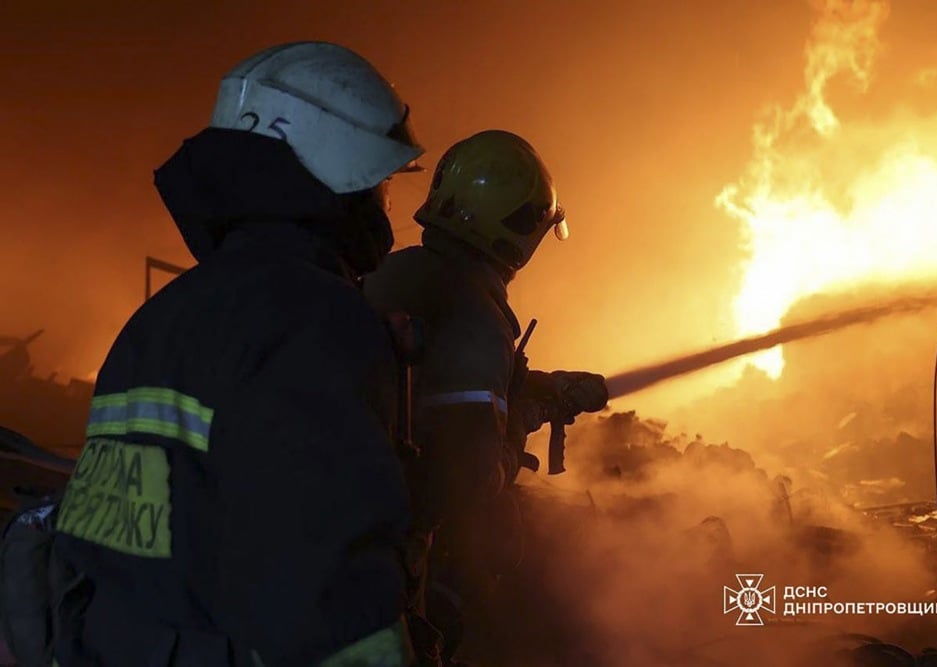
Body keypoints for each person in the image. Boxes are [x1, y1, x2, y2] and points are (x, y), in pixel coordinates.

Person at [48, 41, 425, 667]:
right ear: (340, 170)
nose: (386, 203)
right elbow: (326, 586)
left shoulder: (162, 316)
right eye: (379, 182)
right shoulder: (315, 319)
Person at [362, 130, 608, 664]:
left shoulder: (399, 271)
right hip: (390, 562)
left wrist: (540, 385)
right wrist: (519, 420)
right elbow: (466, 479)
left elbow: (431, 382)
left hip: (344, 529)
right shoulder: (475, 311)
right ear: (516, 231)